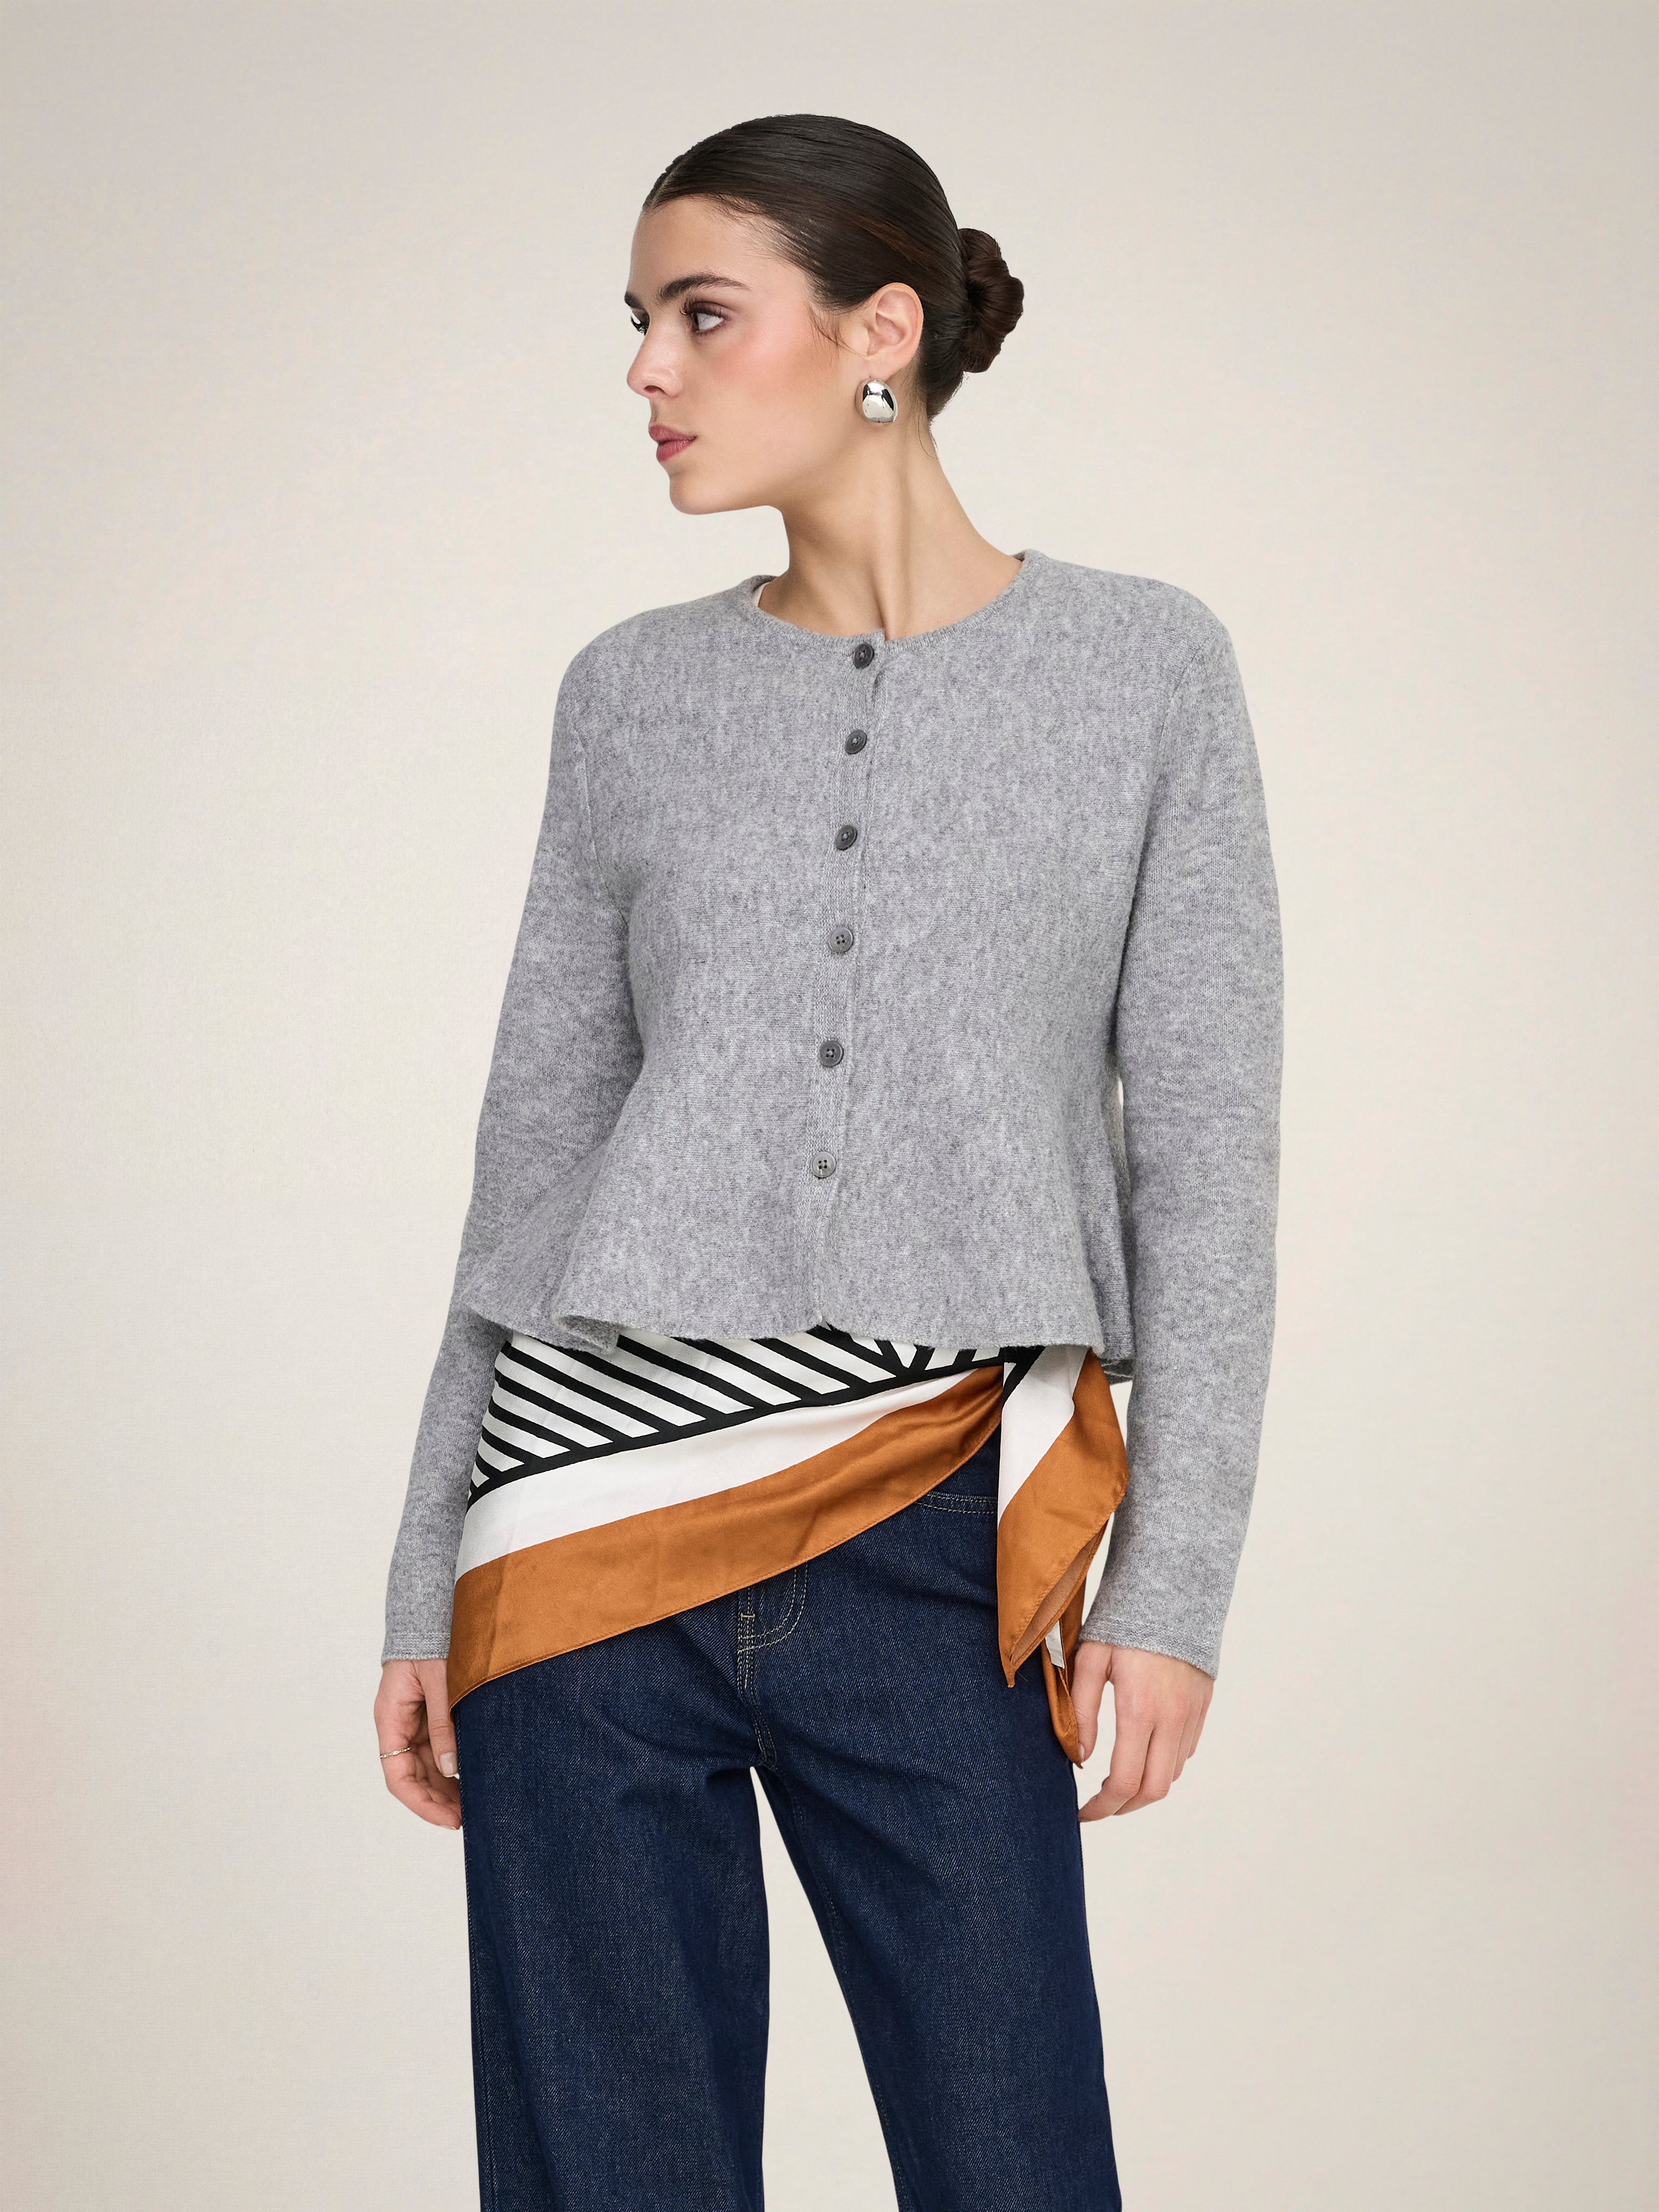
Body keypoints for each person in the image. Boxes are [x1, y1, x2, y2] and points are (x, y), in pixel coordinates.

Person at [374, 112, 1281, 2212]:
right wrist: (428, 1568)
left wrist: (1177, 1585)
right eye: (638, 321)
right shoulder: (628, 695)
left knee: (1011, 2160)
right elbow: (532, 1162)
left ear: (880, 332)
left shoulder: (1145, 670)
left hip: (934, 1530)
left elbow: (1211, 1159)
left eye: (702, 315)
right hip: (582, 1522)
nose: (646, 371)